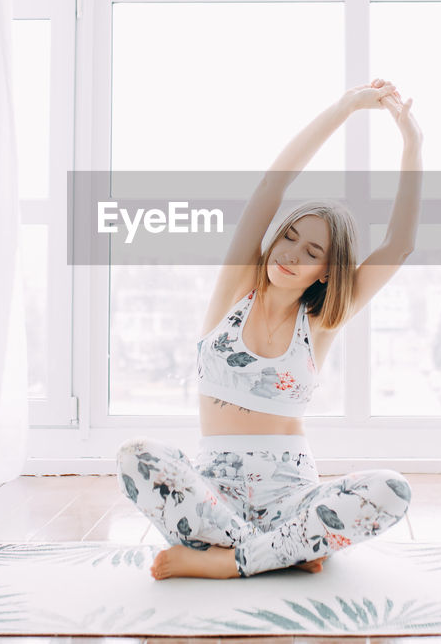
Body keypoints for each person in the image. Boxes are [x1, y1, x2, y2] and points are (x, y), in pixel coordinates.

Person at [116, 78, 423, 580]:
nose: (289, 254)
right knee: (136, 456)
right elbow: (272, 185)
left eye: (311, 252)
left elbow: (400, 245)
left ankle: (233, 562)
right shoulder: (234, 290)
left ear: (326, 271)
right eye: (289, 237)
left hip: (293, 498)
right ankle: (279, 554)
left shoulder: (322, 321)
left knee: (393, 489)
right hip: (215, 498)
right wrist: (347, 106)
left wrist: (412, 145)